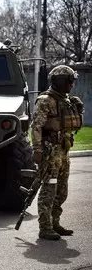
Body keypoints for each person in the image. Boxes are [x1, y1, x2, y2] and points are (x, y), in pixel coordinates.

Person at [31, 65, 84, 240]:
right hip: (50, 153)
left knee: (62, 191)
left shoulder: (66, 100)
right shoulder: (45, 100)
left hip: (63, 151)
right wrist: (37, 150)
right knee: (49, 190)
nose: (71, 85)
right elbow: (36, 127)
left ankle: (55, 223)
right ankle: (45, 228)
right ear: (60, 81)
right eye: (69, 81)